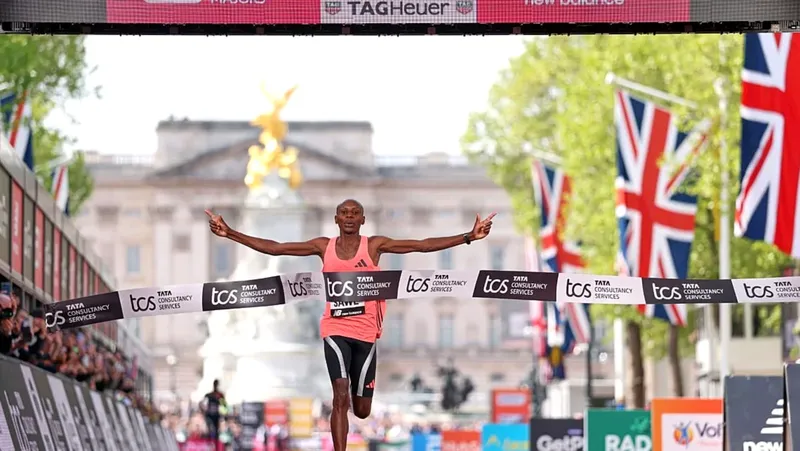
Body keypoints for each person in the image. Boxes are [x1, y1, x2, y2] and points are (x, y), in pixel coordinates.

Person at [206, 199, 495, 451]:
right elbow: (277, 249)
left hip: (367, 332)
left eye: (354, 212)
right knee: (339, 392)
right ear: (336, 219)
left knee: (362, 409)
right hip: (334, 328)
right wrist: (230, 233)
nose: (348, 216)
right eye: (343, 212)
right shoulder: (323, 247)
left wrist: (468, 236)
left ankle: (359, 400)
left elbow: (421, 246)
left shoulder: (374, 246)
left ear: (362, 219)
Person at [201, 379, 227, 444]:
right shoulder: (209, 395)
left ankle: (215, 444)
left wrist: (223, 414)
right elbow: (202, 404)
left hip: (216, 416)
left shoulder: (220, 395)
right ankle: (209, 443)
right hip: (209, 416)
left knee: (216, 431)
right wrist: (204, 412)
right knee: (209, 430)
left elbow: (224, 405)